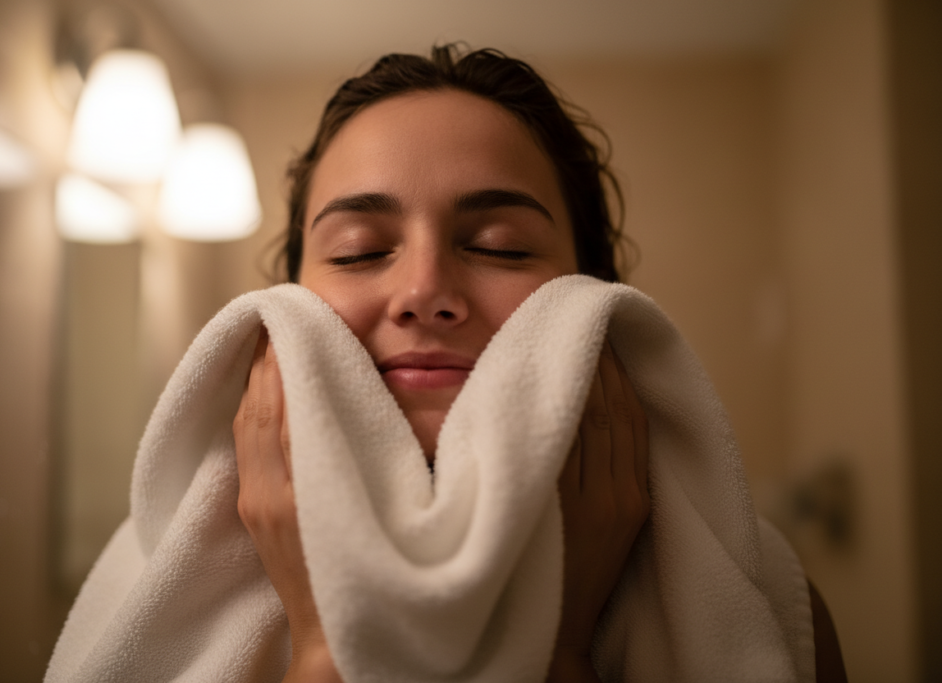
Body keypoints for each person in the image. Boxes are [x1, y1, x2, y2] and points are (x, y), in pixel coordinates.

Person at [232, 45, 846, 683]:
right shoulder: (159, 574)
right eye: (358, 252)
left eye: (500, 247)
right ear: (288, 302)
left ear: (595, 299)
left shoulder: (766, 598)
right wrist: (323, 644)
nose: (423, 292)